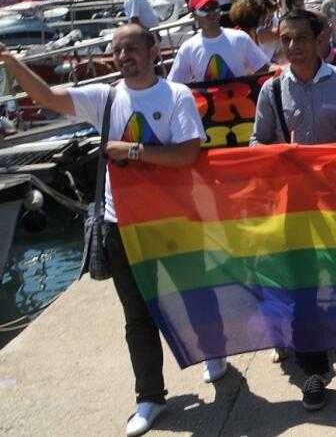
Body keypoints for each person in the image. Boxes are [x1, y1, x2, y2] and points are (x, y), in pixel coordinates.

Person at [0, 24, 206, 437]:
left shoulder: (176, 95)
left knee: (191, 296)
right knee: (137, 316)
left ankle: (212, 355)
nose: (123, 55)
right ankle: (149, 396)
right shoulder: (106, 98)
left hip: (171, 220)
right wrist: (9, 60)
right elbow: (46, 97)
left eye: (131, 47)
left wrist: (131, 150)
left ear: (152, 51)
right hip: (119, 222)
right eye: (117, 50)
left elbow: (187, 154)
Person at [249, 9, 336, 411]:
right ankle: (313, 369)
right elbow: (256, 144)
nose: (293, 47)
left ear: (319, 40)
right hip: (294, 208)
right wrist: (282, 153)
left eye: (300, 38)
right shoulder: (271, 92)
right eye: (286, 40)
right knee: (302, 289)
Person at [167, 0, 270, 84]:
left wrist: (283, 70)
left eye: (215, 8)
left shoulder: (241, 38)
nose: (211, 14)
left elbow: (264, 69)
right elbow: (174, 85)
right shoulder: (188, 49)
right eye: (204, 11)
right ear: (194, 16)